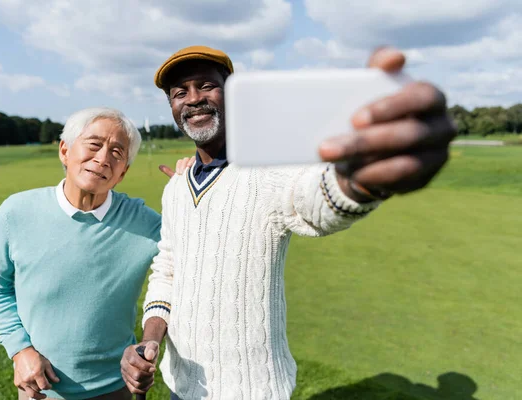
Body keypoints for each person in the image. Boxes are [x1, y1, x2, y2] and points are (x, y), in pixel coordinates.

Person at [120, 45, 456, 400]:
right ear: (172, 108)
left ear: (231, 93)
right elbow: (168, 270)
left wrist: (359, 181)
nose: (193, 99)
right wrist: (150, 340)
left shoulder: (268, 169)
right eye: (180, 92)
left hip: (253, 391)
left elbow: (316, 200)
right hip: (182, 387)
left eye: (206, 86)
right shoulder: (176, 188)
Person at [0, 107, 192, 400]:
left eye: (117, 153)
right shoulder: (15, 212)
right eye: (94, 145)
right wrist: (20, 350)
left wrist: (192, 196)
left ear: (122, 173)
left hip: (117, 388)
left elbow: (197, 252)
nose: (103, 158)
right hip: (40, 390)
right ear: (65, 151)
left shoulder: (148, 224)